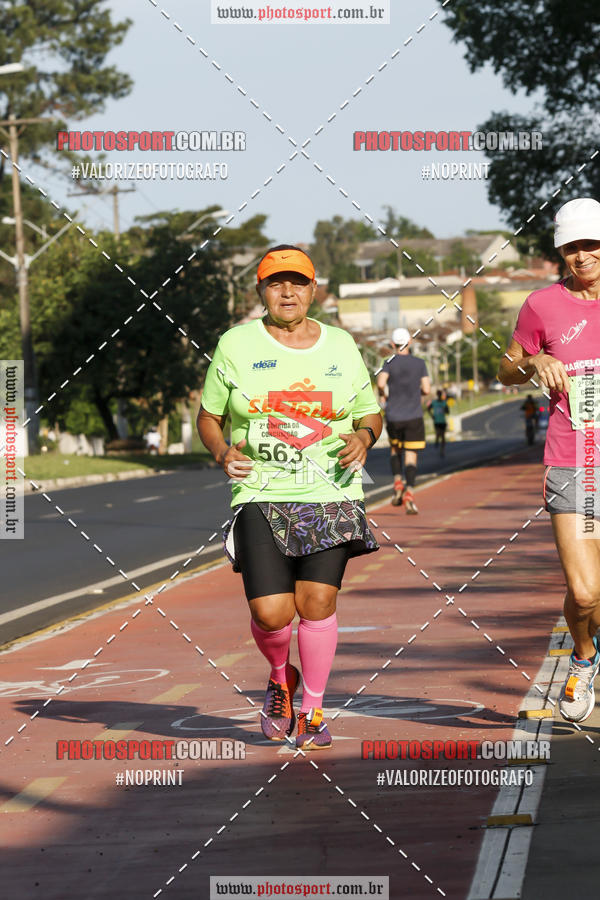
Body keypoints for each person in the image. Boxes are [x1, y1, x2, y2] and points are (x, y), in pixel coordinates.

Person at [197, 245, 383, 750]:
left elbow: (370, 412)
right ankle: (281, 676)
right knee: (272, 614)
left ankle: (314, 711)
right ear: (260, 291)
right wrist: (221, 452)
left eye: (297, 283)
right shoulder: (234, 344)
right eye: (276, 283)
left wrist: (364, 437)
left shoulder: (342, 345)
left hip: (330, 492)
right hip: (260, 493)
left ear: (312, 289)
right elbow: (209, 417)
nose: (287, 292)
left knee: (317, 601)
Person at [498, 197, 600, 724]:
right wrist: (534, 359)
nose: (582, 255)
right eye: (572, 247)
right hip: (574, 460)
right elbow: (505, 370)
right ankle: (584, 656)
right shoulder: (542, 306)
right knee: (584, 593)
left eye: (591, 244)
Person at [376, 327, 430, 514]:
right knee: (411, 455)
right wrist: (420, 392)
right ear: (410, 342)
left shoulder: (388, 362)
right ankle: (410, 492)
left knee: (395, 449)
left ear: (392, 344)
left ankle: (397, 481)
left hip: (394, 416)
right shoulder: (419, 363)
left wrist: (384, 395)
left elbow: (381, 383)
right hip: (414, 416)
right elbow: (427, 389)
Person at [428, 389, 450, 457]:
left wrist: (445, 409)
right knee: (438, 434)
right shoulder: (434, 402)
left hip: (442, 421)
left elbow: (448, 412)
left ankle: (442, 451)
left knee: (442, 436)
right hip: (437, 421)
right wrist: (432, 416)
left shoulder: (444, 402)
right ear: (438, 395)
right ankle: (437, 441)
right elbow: (428, 409)